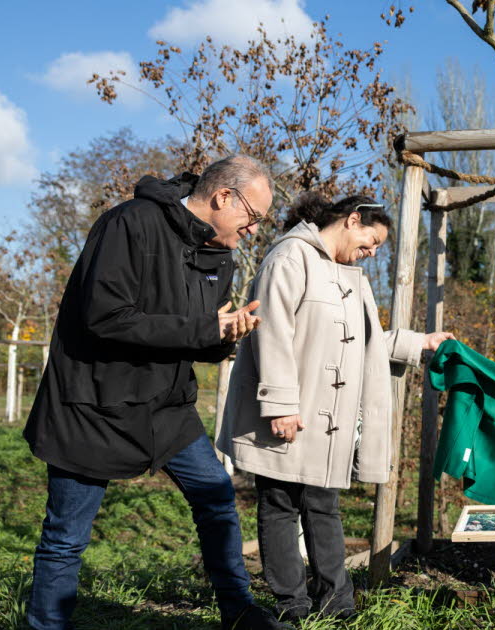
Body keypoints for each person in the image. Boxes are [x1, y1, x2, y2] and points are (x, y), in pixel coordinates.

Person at [23, 155, 289, 630]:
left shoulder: (219, 253)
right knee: (66, 534)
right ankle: (46, 624)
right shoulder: (128, 225)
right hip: (93, 403)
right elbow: (106, 317)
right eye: (253, 217)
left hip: (166, 407)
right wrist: (207, 327)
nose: (253, 231)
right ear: (223, 196)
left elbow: (192, 338)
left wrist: (223, 337)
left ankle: (239, 610)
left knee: (216, 497)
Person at [217, 193, 454, 623]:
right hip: (290, 415)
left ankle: (336, 604)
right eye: (372, 240)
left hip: (329, 424)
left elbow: (360, 342)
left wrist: (417, 343)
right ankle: (293, 605)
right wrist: (280, 406)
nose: (373, 251)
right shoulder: (289, 257)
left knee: (323, 506)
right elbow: (272, 333)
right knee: (280, 505)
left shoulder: (347, 274)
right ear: (352, 220)